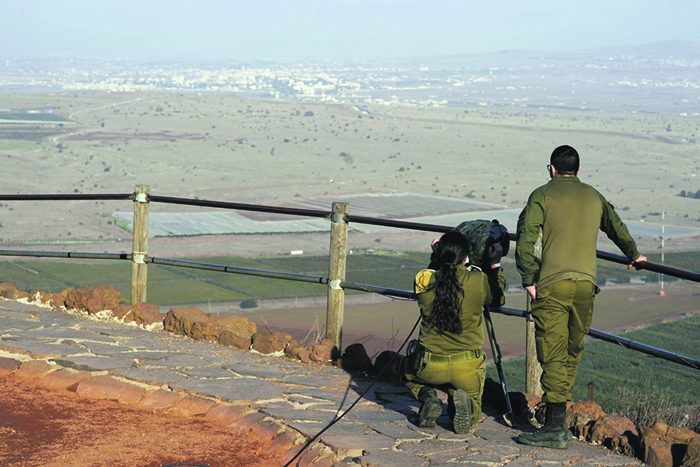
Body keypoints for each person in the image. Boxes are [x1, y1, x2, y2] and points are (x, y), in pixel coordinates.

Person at [515, 145, 647, 449]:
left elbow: (524, 240)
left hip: (552, 285)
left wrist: (527, 278)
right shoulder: (593, 195)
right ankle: (558, 419)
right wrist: (634, 254)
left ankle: (554, 427)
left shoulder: (542, 194)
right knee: (572, 350)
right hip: (587, 286)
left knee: (552, 353)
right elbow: (616, 227)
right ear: (578, 170)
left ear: (551, 169)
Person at [404, 231, 505, 434]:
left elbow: (428, 279)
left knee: (406, 371)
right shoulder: (478, 280)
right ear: (465, 256)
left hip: (429, 365)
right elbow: (498, 297)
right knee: (474, 402)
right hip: (466, 366)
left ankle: (429, 397)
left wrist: (435, 258)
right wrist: (495, 264)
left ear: (440, 253)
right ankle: (466, 408)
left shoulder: (424, 279)